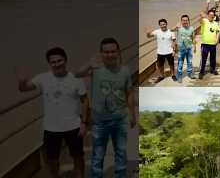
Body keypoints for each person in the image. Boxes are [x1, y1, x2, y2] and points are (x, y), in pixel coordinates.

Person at [16, 47, 88, 178]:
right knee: (52, 160)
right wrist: (21, 82)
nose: (57, 64)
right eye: (53, 62)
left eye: (59, 60)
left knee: (78, 157)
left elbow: (85, 101)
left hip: (74, 126)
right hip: (51, 129)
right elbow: (24, 89)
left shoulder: (76, 79)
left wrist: (84, 122)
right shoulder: (43, 78)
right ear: (49, 64)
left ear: (65, 60)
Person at [76, 37, 136, 178]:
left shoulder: (125, 71)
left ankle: (120, 175)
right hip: (99, 122)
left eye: (113, 51)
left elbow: (129, 93)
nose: (110, 54)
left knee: (121, 152)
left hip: (120, 120)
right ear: (101, 53)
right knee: (98, 154)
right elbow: (76, 74)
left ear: (118, 52)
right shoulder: (95, 69)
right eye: (106, 52)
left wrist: (132, 114)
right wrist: (89, 64)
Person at [171, 15, 196, 83]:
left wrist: (195, 47)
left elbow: (193, 38)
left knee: (189, 62)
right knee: (180, 63)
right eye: (183, 20)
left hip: (189, 48)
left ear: (188, 21)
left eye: (186, 20)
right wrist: (176, 26)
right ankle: (179, 76)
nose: (185, 21)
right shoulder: (179, 28)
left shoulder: (191, 28)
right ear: (181, 21)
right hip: (181, 49)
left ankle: (190, 74)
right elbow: (170, 30)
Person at [199, 7, 220, 79]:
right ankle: (201, 71)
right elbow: (201, 17)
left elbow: (217, 32)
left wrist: (217, 40)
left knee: (213, 58)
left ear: (214, 16)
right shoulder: (204, 21)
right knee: (203, 58)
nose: (211, 16)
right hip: (205, 44)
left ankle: (212, 69)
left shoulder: (215, 23)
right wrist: (207, 6)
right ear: (207, 15)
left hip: (213, 44)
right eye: (210, 15)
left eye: (213, 15)